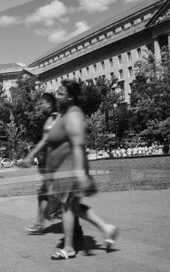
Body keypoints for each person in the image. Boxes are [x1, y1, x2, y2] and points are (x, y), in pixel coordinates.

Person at [45, 80, 118, 260]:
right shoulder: (65, 114)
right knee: (73, 207)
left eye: (61, 94)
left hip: (70, 170)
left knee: (68, 207)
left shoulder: (74, 115)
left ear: (70, 97)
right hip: (62, 171)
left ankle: (69, 248)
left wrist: (80, 174)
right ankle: (106, 229)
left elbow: (78, 146)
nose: (57, 96)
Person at [21, 93, 60, 234]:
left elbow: (46, 141)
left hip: (57, 164)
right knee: (44, 193)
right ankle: (40, 224)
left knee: (65, 199)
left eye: (41, 103)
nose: (39, 106)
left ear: (49, 104)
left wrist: (30, 156)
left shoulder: (54, 119)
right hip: (51, 163)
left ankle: (103, 228)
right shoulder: (50, 118)